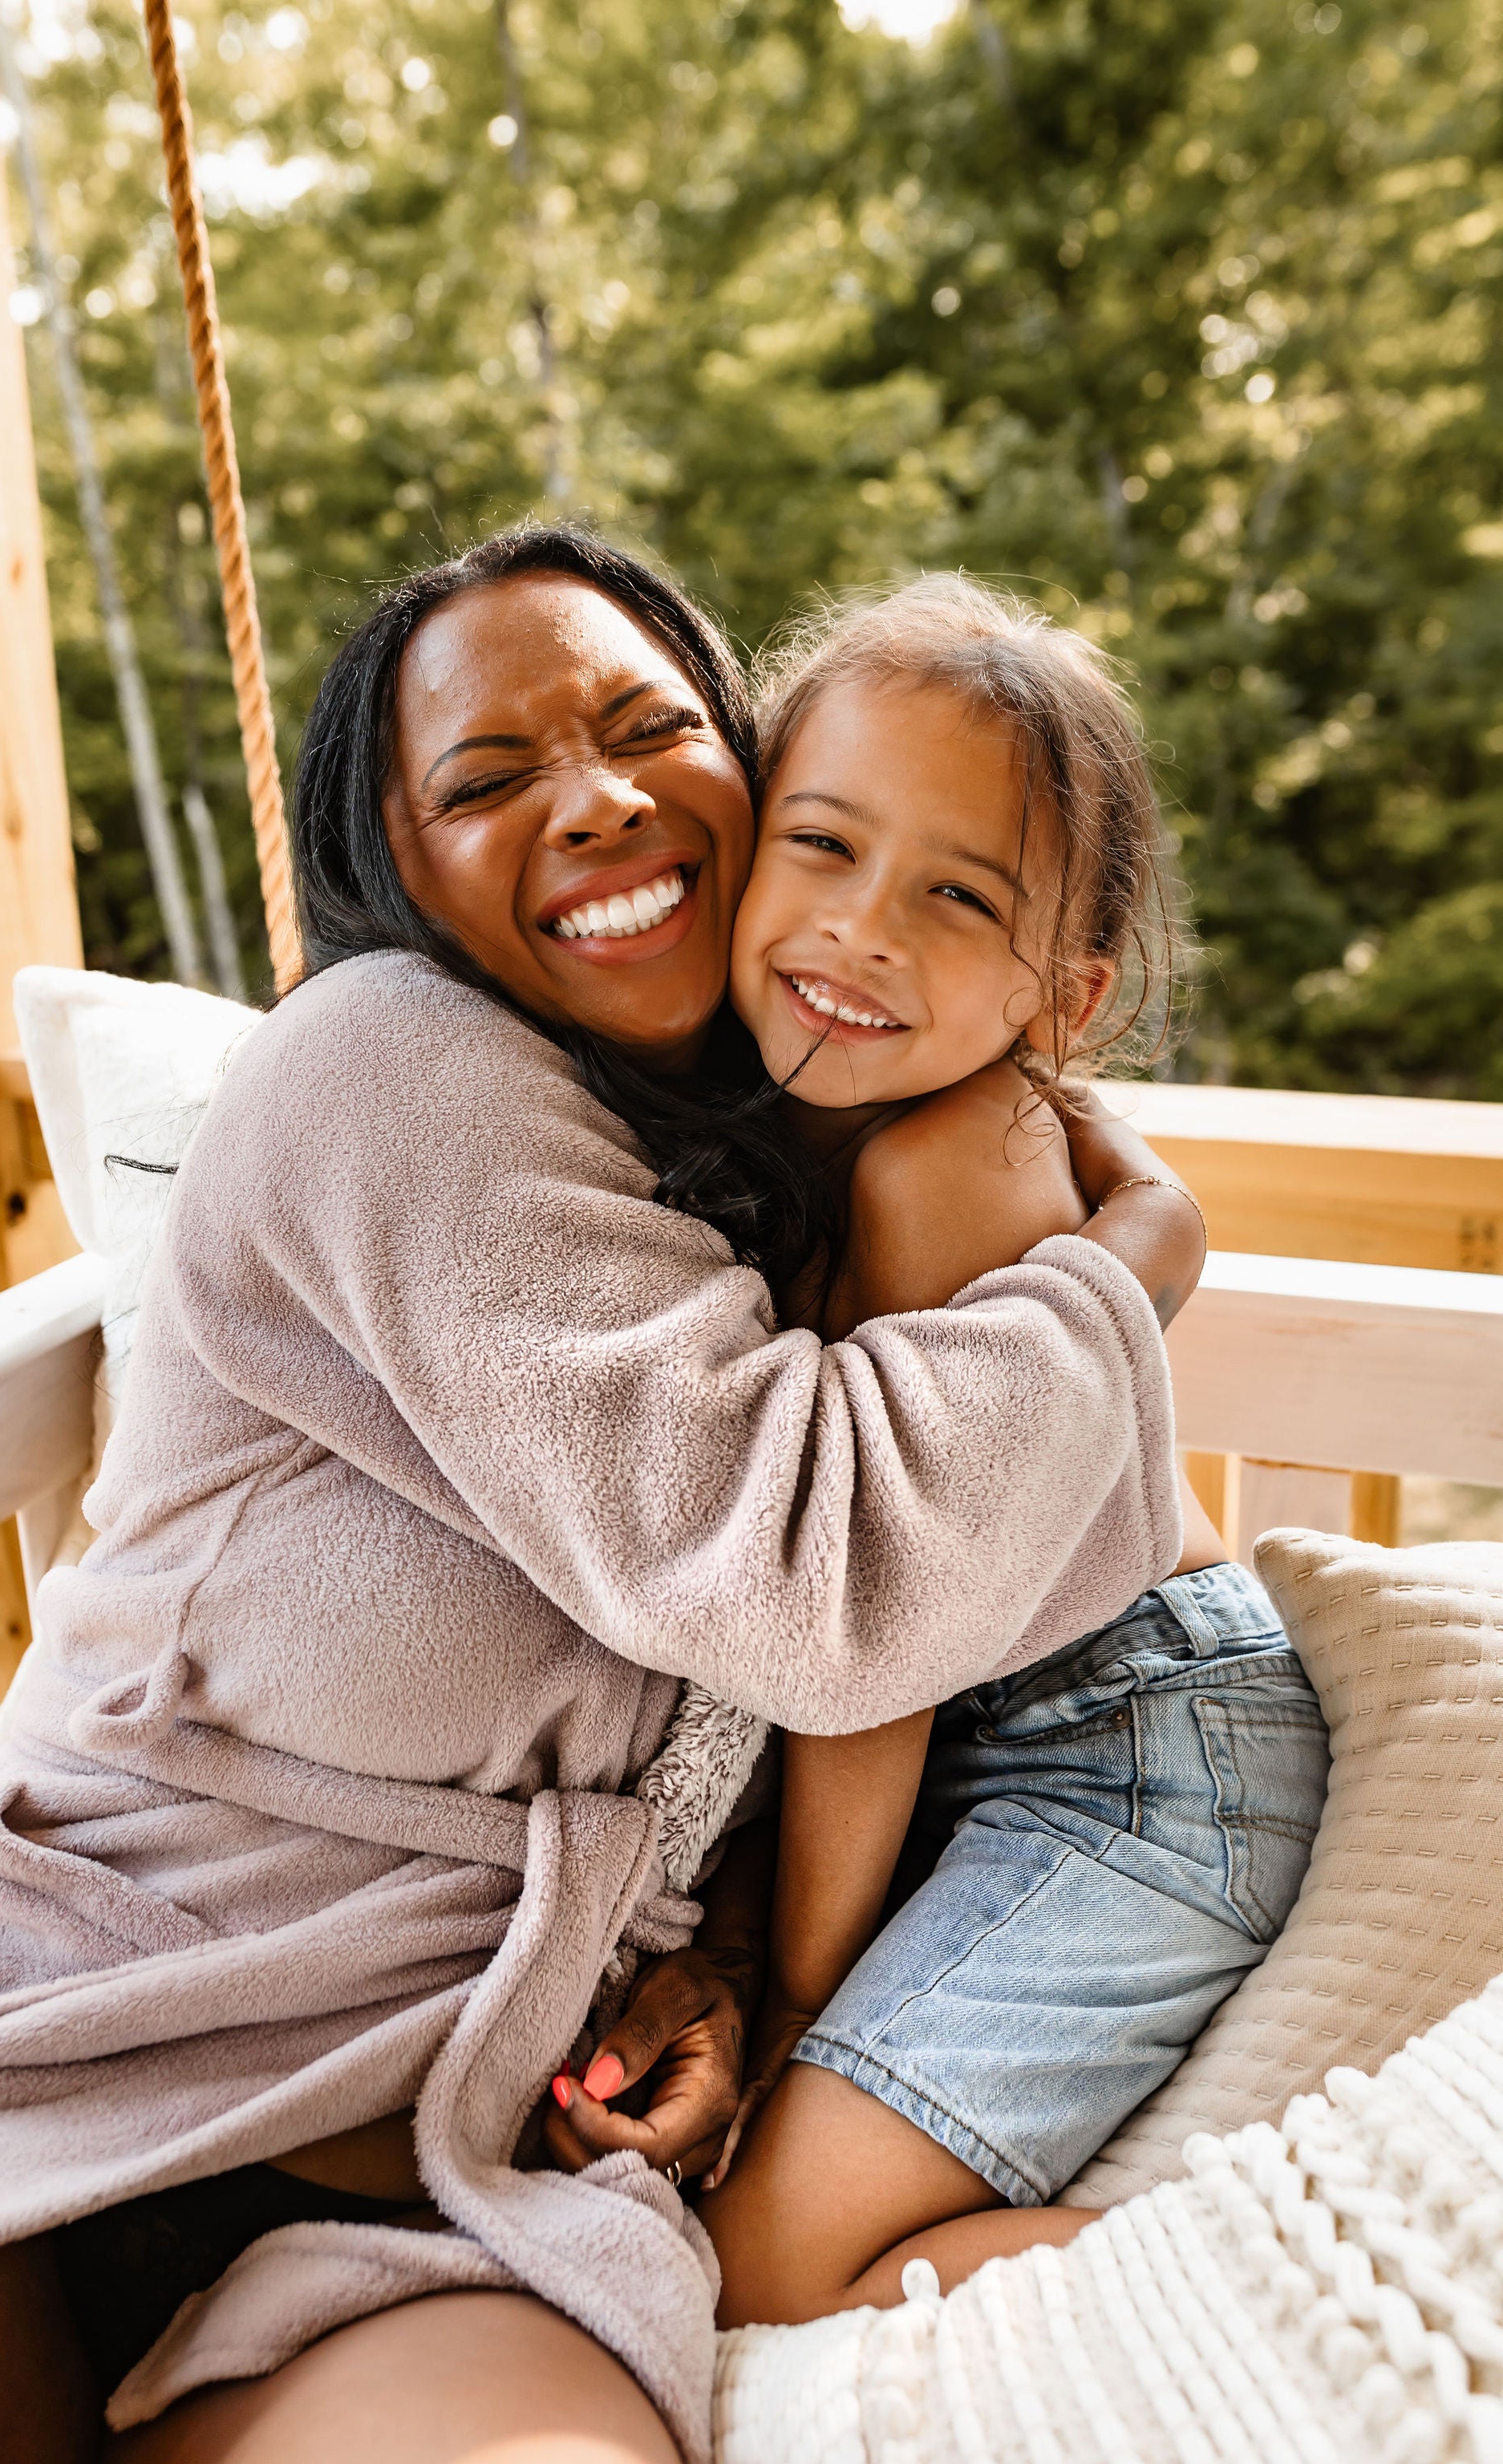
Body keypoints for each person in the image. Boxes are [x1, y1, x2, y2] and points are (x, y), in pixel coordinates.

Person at [0, 530, 1201, 2464]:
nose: (590, 803)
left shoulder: (774, 1168)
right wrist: (1119, 1270)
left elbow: (734, 1696)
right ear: (394, 869)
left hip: (459, 2187)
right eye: (485, 783)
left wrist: (718, 1969)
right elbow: (806, 1584)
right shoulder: (388, 1060)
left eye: (653, 728)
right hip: (66, 2046)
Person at [679, 577, 1329, 2326]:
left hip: (1134, 1761)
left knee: (762, 2264)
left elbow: (872, 1651)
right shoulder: (799, 1131)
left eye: (956, 895)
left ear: (1065, 989)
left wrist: (797, 1997)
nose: (861, 926)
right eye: (818, 845)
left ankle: (1303, 2291)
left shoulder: (937, 1172)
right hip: (1002, 1751)